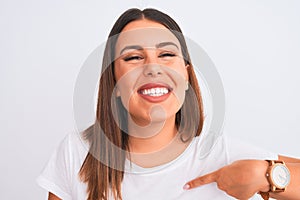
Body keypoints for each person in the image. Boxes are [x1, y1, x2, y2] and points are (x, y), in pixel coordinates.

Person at [37, 8, 300, 200]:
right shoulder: (76, 153)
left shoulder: (218, 154)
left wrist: (266, 175)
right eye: (133, 57)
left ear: (186, 76)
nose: (153, 67)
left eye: (166, 54)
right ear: (114, 83)